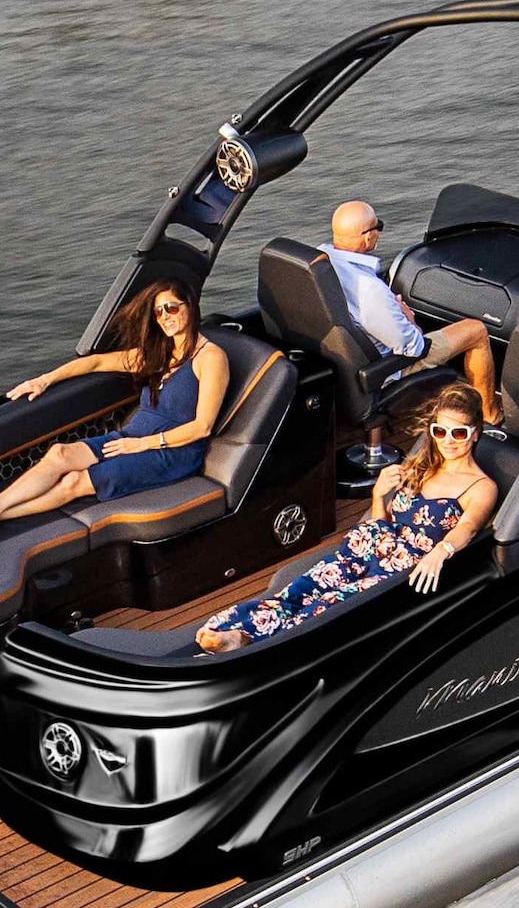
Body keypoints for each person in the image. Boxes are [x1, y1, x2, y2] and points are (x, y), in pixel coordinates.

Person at [197, 404, 498, 652]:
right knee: (302, 588)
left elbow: (469, 527)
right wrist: (378, 495)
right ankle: (238, 630)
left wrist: (440, 551)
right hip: (365, 549)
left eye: (458, 432)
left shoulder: (481, 486)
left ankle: (252, 642)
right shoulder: (420, 466)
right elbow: (385, 522)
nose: (448, 440)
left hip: (400, 570)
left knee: (328, 604)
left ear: (475, 434)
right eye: (440, 431)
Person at [0, 283, 229, 532]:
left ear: (190, 306)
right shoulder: (160, 354)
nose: (165, 317)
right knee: (60, 453)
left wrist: (141, 445)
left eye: (172, 308)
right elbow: (96, 362)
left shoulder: (210, 358)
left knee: (75, 482)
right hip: (131, 439)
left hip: (171, 452)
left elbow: (202, 427)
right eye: (158, 312)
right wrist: (44, 380)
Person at [323, 199, 501, 426]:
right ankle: (490, 416)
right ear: (368, 237)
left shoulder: (321, 260)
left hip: (341, 361)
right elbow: (413, 347)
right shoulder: (370, 290)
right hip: (382, 370)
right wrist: (409, 319)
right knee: (476, 331)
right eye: (378, 227)